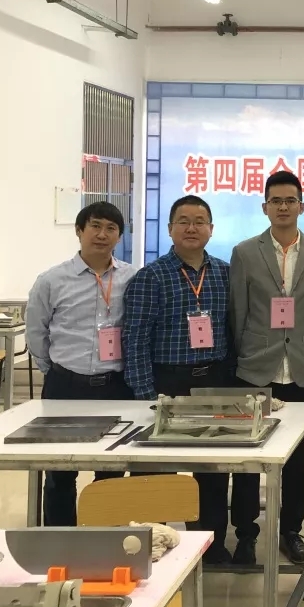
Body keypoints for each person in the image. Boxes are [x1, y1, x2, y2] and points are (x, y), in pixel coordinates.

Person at [122, 195, 235, 563]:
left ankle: (211, 546)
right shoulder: (151, 276)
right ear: (170, 228)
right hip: (167, 382)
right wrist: (145, 394)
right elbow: (135, 338)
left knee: (213, 471)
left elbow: (231, 330)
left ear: (211, 229)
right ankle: (154, 547)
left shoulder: (224, 273)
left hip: (213, 381)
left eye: (199, 221)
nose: (191, 227)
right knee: (158, 471)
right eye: (183, 221)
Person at [228, 171, 304, 566]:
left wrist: (300, 339)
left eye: (290, 200)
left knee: (298, 459)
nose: (283, 207)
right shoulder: (245, 252)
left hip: (301, 369)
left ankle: (292, 531)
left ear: (301, 206)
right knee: (247, 457)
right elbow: (238, 311)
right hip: (256, 368)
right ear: (265, 207)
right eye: (276, 200)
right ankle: (246, 534)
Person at [26, 201, 136, 527]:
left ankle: (106, 535)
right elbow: (36, 333)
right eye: (95, 226)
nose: (102, 234)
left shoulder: (132, 277)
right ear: (79, 231)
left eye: (111, 228)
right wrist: (54, 371)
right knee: (60, 470)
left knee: (111, 470)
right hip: (65, 387)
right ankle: (61, 539)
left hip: (115, 387)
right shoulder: (51, 280)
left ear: (119, 236)